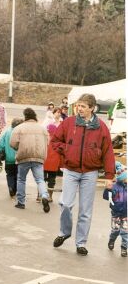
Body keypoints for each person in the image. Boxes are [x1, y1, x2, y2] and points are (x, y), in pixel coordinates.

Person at [51, 93, 115, 256]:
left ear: (92, 108)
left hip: (90, 172)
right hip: (71, 171)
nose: (79, 109)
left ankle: (81, 243)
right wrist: (66, 150)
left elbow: (108, 152)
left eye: (83, 106)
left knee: (85, 210)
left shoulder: (101, 127)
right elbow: (55, 140)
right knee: (65, 203)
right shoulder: (69, 122)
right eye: (78, 105)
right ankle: (64, 232)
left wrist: (109, 176)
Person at [10, 108, 50, 213]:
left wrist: (19, 148)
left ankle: (21, 202)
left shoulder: (19, 128)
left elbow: (12, 143)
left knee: (21, 179)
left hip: (24, 157)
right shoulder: (43, 128)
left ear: (25, 117)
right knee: (40, 180)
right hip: (39, 157)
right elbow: (48, 142)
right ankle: (45, 195)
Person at [103, 162, 127, 257]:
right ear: (122, 177)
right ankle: (112, 240)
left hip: (126, 214)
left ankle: (124, 248)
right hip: (116, 214)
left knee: (125, 232)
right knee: (115, 231)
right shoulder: (114, 187)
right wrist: (108, 190)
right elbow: (106, 197)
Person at [0, 118, 23, 198]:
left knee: (10, 174)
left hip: (9, 159)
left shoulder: (7, 132)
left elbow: (0, 144)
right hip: (19, 159)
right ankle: (16, 189)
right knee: (19, 175)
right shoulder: (22, 133)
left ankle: (11, 187)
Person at [43, 107, 62, 201]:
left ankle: (40, 195)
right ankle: (50, 196)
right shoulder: (58, 142)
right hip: (54, 163)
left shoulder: (45, 140)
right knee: (52, 179)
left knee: (41, 178)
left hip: (44, 161)